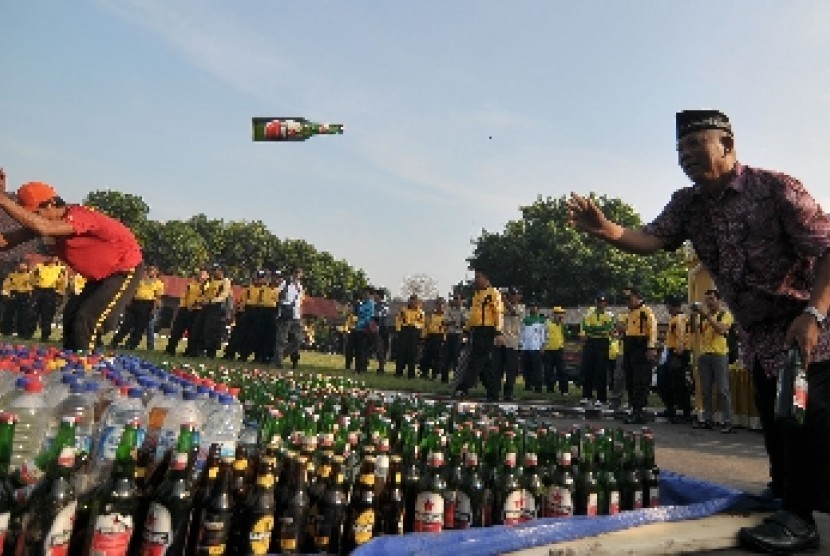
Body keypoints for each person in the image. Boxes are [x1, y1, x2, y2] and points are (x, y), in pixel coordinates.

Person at [567, 109, 830, 554]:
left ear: (727, 145)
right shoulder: (688, 204)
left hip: (806, 324)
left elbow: (827, 250)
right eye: (680, 150)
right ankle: (786, 498)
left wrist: (815, 314)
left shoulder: (776, 189)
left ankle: (802, 521)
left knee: (801, 419)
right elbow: (651, 238)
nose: (685, 156)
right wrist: (607, 231)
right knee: (773, 418)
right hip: (757, 334)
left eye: (695, 145)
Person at [0, 174, 143, 352]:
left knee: (87, 318)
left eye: (35, 213)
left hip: (123, 270)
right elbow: (7, 241)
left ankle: (86, 368)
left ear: (51, 204)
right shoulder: (47, 223)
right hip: (99, 277)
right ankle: (72, 364)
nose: (33, 219)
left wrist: (3, 200)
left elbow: (43, 227)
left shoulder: (78, 215)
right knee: (71, 318)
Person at [692, 289, 735, 432]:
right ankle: (708, 419)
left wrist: (706, 316)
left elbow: (721, 330)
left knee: (723, 390)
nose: (709, 302)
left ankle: (728, 421)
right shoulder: (703, 317)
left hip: (719, 354)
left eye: (711, 299)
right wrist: (694, 315)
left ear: (719, 300)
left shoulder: (725, 314)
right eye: (707, 300)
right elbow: (694, 330)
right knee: (706, 390)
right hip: (704, 355)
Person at [456, 268, 503, 399]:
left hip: (487, 330)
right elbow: (473, 315)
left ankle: (464, 387)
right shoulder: (477, 294)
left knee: (476, 360)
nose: (476, 280)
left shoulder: (493, 293)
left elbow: (498, 313)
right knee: (484, 364)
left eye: (478, 277)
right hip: (476, 330)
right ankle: (493, 392)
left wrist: (498, 331)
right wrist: (466, 330)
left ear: (486, 278)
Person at [621, 288, 658, 424]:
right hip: (630, 346)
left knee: (640, 380)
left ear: (637, 297)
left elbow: (653, 329)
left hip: (641, 346)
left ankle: (639, 410)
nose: (627, 302)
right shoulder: (630, 313)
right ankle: (633, 407)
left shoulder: (646, 311)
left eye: (629, 299)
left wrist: (651, 347)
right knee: (630, 378)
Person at [657, 294, 693, 424]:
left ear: (671, 305)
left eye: (667, 304)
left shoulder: (679, 319)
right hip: (670, 352)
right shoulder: (674, 319)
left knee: (678, 383)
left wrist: (678, 354)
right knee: (665, 382)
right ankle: (670, 407)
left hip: (678, 353)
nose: (666, 307)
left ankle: (685, 411)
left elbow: (681, 337)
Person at [111, 264, 164, 350]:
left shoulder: (159, 284)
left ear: (156, 272)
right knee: (127, 324)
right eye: (149, 270)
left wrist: (154, 310)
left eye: (152, 270)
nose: (150, 271)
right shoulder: (141, 281)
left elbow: (157, 298)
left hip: (147, 305)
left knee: (139, 327)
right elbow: (133, 292)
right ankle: (115, 342)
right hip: (135, 303)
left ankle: (131, 345)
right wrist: (128, 303)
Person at [579, 292, 616, 407]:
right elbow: (586, 327)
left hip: (603, 343)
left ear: (606, 303)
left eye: (603, 302)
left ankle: (601, 397)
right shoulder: (589, 313)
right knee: (588, 369)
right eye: (599, 301)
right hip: (590, 342)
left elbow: (608, 329)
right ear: (596, 302)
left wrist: (594, 330)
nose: (601, 304)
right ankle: (587, 395)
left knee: (601, 370)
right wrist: (598, 330)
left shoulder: (609, 315)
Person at [490, 288, 523, 402]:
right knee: (496, 370)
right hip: (499, 342)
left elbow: (513, 311)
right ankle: (494, 394)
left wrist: (502, 298)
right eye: (510, 295)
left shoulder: (521, 308)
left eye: (515, 295)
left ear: (519, 297)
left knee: (511, 371)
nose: (512, 297)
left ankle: (508, 394)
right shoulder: (500, 306)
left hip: (512, 343)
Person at [165, 268, 207, 355]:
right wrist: (182, 306)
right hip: (185, 308)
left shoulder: (207, 287)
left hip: (197, 311)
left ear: (207, 276)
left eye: (203, 275)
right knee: (177, 329)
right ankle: (170, 349)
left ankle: (190, 351)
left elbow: (204, 298)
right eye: (200, 274)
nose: (201, 276)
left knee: (194, 333)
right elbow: (185, 295)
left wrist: (195, 305)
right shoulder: (191, 283)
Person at [28, 255, 65, 341]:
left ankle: (45, 335)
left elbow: (63, 282)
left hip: (51, 292)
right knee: (33, 312)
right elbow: (31, 278)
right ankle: (29, 333)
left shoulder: (61, 269)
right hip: (38, 291)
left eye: (55, 257)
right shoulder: (39, 267)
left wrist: (60, 294)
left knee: (47, 314)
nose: (52, 258)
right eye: (50, 256)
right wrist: (34, 286)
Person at [274, 267, 304, 368]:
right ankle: (278, 362)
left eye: (299, 273)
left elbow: (300, 302)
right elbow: (276, 293)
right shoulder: (285, 283)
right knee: (282, 339)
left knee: (298, 339)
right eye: (296, 272)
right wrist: (282, 302)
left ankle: (280, 356)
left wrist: (300, 315)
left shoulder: (299, 286)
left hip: (296, 315)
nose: (297, 274)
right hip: (285, 314)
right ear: (292, 273)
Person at [394, 294, 425, 379]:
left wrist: (416, 326)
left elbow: (422, 323)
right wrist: (399, 329)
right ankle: (398, 372)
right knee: (401, 353)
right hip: (404, 331)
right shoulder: (403, 310)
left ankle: (411, 374)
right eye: (411, 300)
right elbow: (398, 320)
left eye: (415, 301)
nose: (413, 302)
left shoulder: (420, 312)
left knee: (412, 353)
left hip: (414, 332)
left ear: (417, 302)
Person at [519, 301, 547, 394]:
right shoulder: (525, 320)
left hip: (537, 348)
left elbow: (544, 334)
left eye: (534, 306)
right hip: (526, 348)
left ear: (538, 308)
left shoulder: (542, 320)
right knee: (526, 368)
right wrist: (521, 345)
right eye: (531, 306)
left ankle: (538, 387)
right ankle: (528, 385)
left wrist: (543, 345)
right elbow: (522, 333)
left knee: (537, 369)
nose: (533, 308)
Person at [441, 293, 469, 383]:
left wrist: (454, 322)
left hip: (459, 336)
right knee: (446, 358)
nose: (456, 301)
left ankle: (456, 379)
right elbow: (445, 321)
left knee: (457, 358)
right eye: (455, 299)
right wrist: (457, 322)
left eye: (458, 299)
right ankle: (444, 379)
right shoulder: (448, 310)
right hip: (449, 335)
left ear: (461, 300)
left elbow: (465, 322)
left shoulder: (464, 310)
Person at [1, 260, 32, 337]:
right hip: (13, 294)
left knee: (23, 315)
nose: (22, 268)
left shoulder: (30, 276)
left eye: (24, 266)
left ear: (27, 267)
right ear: (17, 267)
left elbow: (32, 286)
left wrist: (29, 295)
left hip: (24, 295)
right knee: (8, 314)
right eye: (20, 266)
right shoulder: (11, 275)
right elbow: (6, 285)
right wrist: (7, 294)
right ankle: (6, 331)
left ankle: (22, 333)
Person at [543, 306, 568, 394]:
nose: (561, 316)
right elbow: (543, 335)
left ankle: (564, 390)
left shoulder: (562, 325)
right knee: (548, 370)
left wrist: (563, 325)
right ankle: (550, 389)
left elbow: (568, 335)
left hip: (559, 349)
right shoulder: (547, 323)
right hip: (548, 350)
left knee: (561, 370)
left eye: (562, 314)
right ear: (554, 314)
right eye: (559, 314)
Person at [420, 297, 446, 380]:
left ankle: (435, 374)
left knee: (437, 357)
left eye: (441, 304)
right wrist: (424, 336)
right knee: (427, 355)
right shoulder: (431, 315)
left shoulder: (446, 316)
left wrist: (444, 338)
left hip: (440, 337)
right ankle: (424, 373)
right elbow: (426, 326)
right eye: (438, 304)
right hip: (430, 336)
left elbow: (447, 328)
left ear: (444, 305)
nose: (439, 306)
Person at [353, 286, 376, 374]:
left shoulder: (371, 304)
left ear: (370, 294)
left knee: (363, 349)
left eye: (366, 293)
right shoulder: (361, 303)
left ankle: (362, 368)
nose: (364, 295)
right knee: (358, 349)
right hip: (358, 328)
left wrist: (361, 323)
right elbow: (357, 314)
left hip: (365, 329)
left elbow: (369, 317)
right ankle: (357, 367)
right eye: (363, 293)